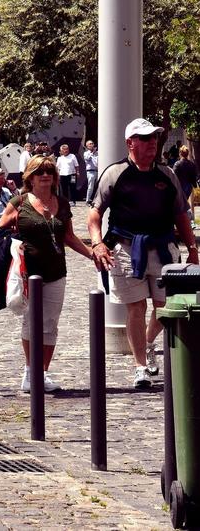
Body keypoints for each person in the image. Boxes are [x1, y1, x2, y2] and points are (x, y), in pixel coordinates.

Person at [89, 118, 200, 387]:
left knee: (165, 306)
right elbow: (94, 214)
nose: (152, 143)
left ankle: (148, 343)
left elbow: (180, 214)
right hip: (126, 250)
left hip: (163, 249)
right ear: (130, 143)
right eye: (146, 138)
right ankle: (140, 365)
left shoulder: (166, 174)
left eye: (154, 138)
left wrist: (193, 249)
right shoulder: (115, 174)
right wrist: (97, 243)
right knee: (136, 307)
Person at [0, 156, 96, 392]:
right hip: (29, 272)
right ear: (30, 177)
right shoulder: (19, 202)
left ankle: (42, 372)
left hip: (56, 271)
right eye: (40, 172)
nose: (45, 175)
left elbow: (69, 237)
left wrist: (92, 254)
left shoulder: (61, 203)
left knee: (50, 323)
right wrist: (13, 244)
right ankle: (30, 372)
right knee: (31, 320)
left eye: (49, 171)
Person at [83, 139, 100, 205]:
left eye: (92, 143)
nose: (92, 145)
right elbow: (88, 159)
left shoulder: (98, 153)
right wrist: (92, 152)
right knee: (91, 186)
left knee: (99, 186)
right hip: (91, 172)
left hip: (98, 170)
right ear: (87, 146)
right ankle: (88, 200)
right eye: (90, 144)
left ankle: (96, 199)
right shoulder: (86, 153)